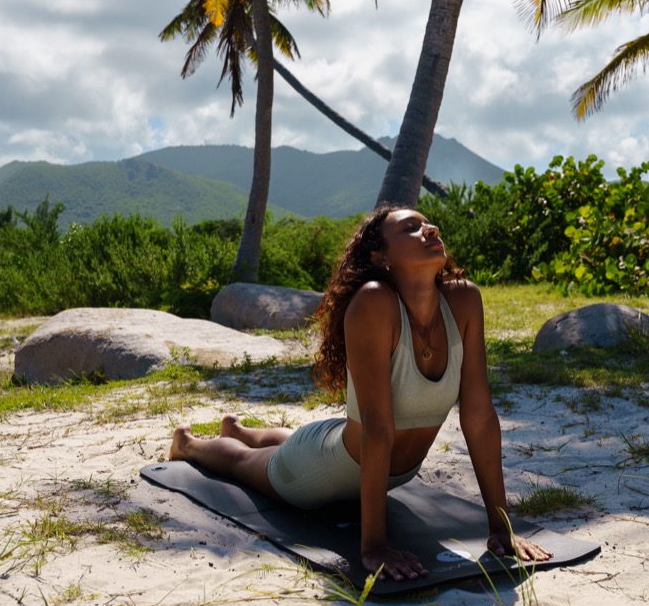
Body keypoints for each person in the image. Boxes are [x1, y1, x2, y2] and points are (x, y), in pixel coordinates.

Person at [167, 205, 552, 582]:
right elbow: (378, 428)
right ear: (380, 256)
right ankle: (189, 444)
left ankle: (241, 430)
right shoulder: (374, 302)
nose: (430, 229)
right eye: (410, 229)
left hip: (378, 464)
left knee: (317, 435)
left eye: (429, 223)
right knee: (246, 465)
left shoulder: (464, 300)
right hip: (320, 471)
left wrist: (502, 528)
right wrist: (373, 547)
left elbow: (480, 415)